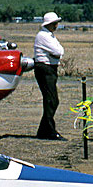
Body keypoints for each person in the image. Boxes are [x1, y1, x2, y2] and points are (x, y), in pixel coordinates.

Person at [33, 12, 65, 140]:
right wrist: (57, 54)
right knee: (51, 100)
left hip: (49, 68)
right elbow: (58, 51)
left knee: (51, 100)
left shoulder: (48, 35)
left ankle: (44, 130)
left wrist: (57, 54)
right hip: (45, 68)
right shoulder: (44, 36)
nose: (57, 25)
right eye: (55, 23)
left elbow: (59, 52)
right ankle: (48, 131)